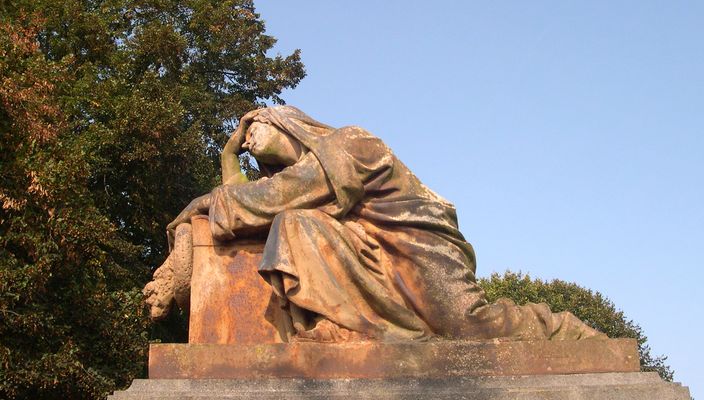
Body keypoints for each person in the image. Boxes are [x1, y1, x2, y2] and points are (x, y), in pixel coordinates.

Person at [161, 105, 604, 343]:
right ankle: (338, 322)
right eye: (244, 135)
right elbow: (256, 206)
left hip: (414, 245)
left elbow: (269, 197)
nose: (248, 135)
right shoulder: (296, 187)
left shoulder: (349, 143)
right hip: (364, 246)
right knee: (294, 225)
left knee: (469, 329)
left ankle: (564, 330)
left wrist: (202, 202)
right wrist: (226, 159)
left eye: (256, 123)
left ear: (288, 123)